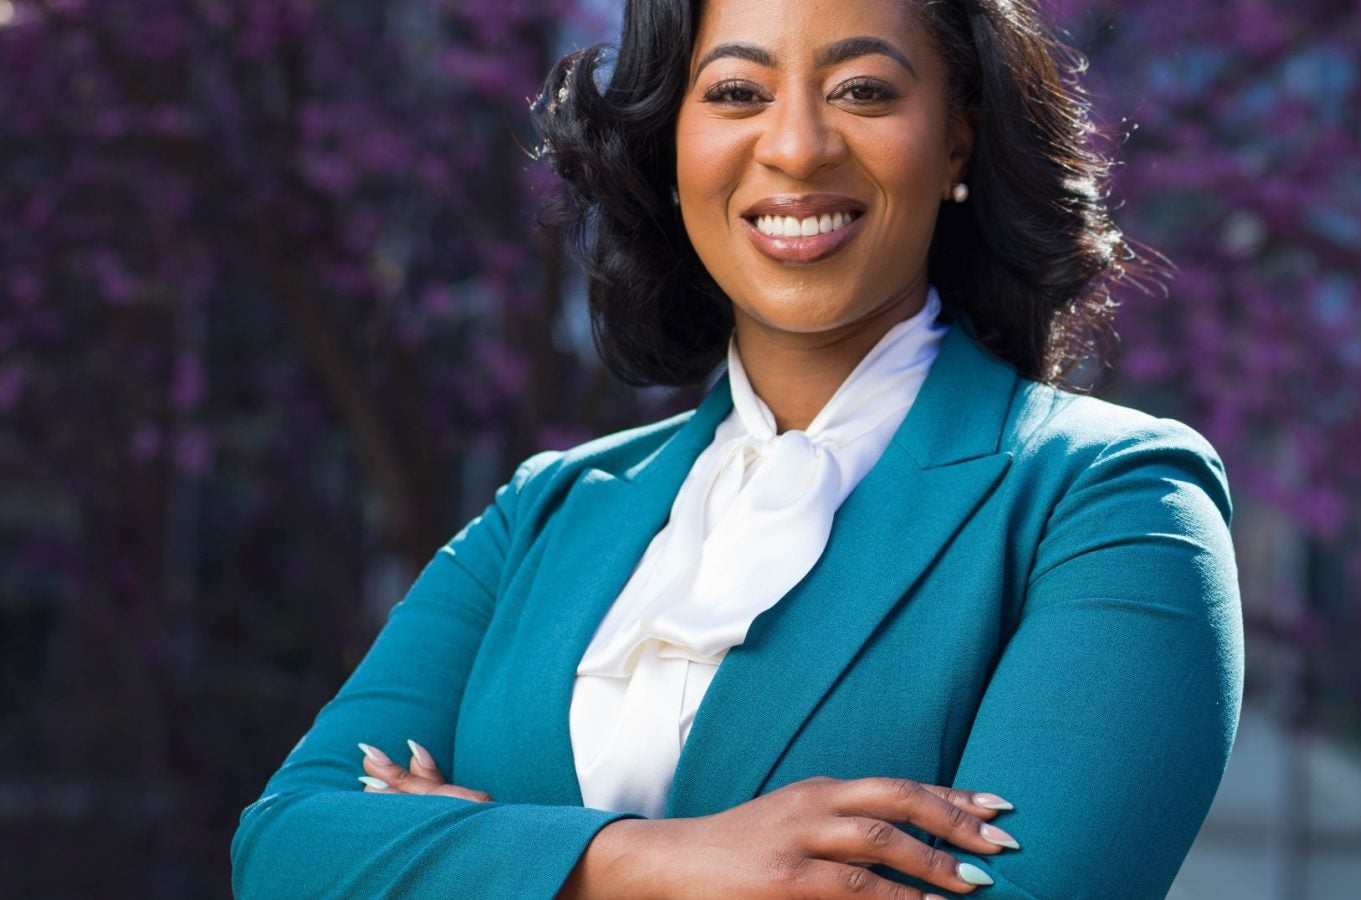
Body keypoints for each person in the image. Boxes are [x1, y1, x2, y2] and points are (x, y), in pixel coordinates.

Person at [230, 0, 1244, 896]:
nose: (796, 147)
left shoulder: (1114, 503)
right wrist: (656, 864)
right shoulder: (547, 512)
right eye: (735, 92)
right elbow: (285, 852)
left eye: (861, 89)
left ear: (956, 142)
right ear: (671, 149)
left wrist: (474, 858)